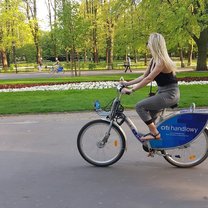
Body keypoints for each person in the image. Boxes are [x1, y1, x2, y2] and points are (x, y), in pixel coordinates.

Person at [121, 33, 180, 141]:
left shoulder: (161, 62)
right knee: (151, 119)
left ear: (154, 44)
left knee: (139, 106)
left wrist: (131, 90)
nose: (147, 44)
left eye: (149, 42)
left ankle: (155, 135)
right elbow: (144, 76)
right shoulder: (154, 60)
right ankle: (154, 144)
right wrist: (127, 83)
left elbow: (148, 79)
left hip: (170, 94)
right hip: (162, 93)